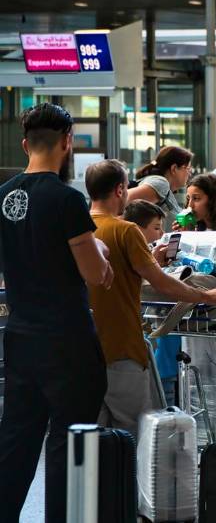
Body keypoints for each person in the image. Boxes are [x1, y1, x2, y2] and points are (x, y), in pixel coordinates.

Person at [0, 103, 113, 523]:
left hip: (21, 337)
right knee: (70, 444)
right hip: (67, 342)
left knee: (16, 440)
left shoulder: (3, 196)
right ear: (67, 143)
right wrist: (102, 260)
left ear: (26, 143)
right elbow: (94, 273)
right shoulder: (67, 200)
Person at [85, 160, 216, 436]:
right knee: (132, 436)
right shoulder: (125, 230)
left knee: (95, 439)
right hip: (122, 349)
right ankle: (127, 482)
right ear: (120, 190)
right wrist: (206, 295)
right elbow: (162, 283)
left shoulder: (77, 232)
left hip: (83, 350)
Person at [128, 145, 194, 221]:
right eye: (188, 168)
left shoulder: (164, 188)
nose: (189, 173)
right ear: (174, 169)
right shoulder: (161, 184)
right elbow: (123, 201)